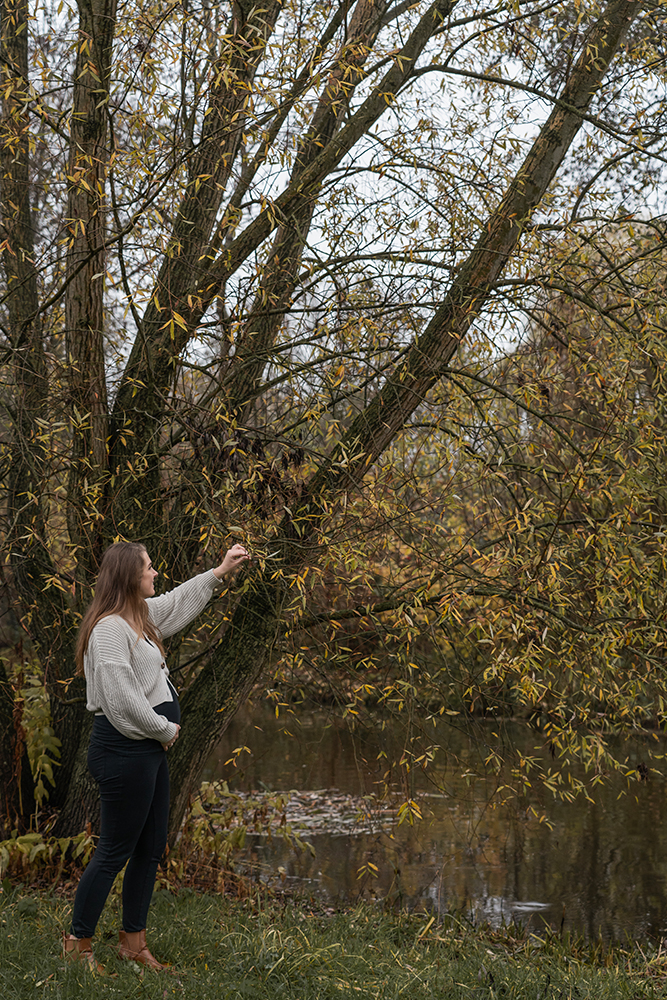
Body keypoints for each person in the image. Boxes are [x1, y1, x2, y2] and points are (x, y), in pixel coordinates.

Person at [63, 541, 249, 971]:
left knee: (149, 849)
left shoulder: (139, 618)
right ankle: (77, 947)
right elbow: (121, 701)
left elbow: (176, 602)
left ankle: (133, 944)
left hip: (146, 749)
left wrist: (219, 572)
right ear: (130, 576)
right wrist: (164, 729)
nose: (155, 573)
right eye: (149, 567)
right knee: (113, 850)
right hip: (123, 748)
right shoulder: (109, 630)